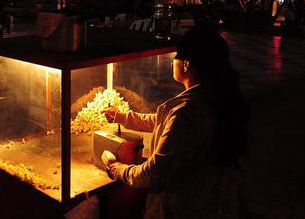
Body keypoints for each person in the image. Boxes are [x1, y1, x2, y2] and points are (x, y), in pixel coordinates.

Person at [101, 27, 248, 218]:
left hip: (181, 208)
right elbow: (162, 121)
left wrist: (116, 169)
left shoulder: (187, 113)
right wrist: (121, 116)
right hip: (210, 204)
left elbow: (152, 174)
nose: (172, 63)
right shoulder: (216, 98)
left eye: (175, 58)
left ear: (186, 64)